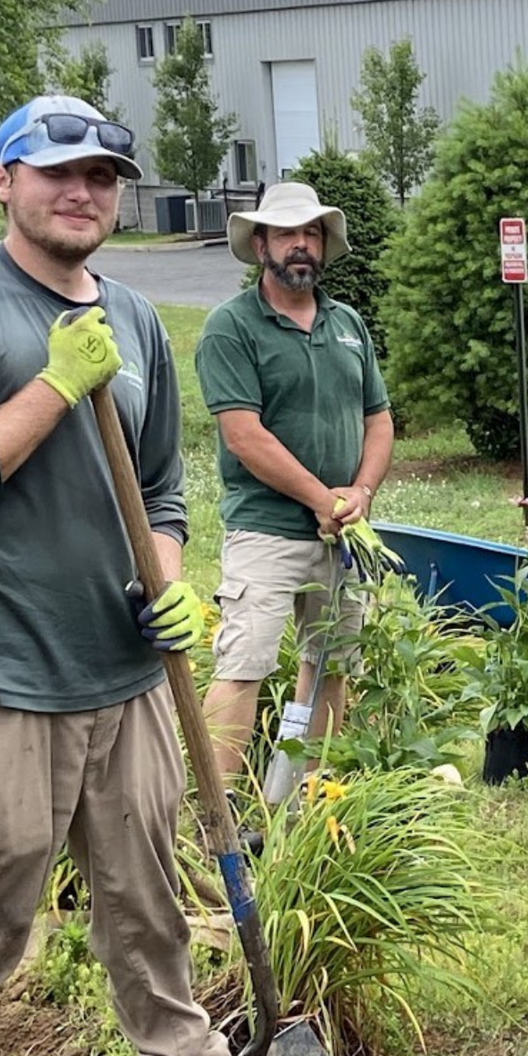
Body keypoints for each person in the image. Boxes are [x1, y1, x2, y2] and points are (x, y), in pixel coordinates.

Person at [0, 96, 229, 1056]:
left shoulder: (138, 320)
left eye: (102, 175)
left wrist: (172, 580)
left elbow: (160, 490)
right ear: (2, 180)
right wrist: (55, 386)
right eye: (57, 170)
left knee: (155, 937)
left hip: (129, 681)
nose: (81, 190)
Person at [195, 182, 392, 781]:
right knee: (244, 664)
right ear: (260, 246)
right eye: (286, 235)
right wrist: (321, 498)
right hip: (267, 531)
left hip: (342, 533)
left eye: (311, 234)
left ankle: (303, 797)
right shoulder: (231, 327)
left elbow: (378, 420)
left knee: (330, 663)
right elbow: (243, 437)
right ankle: (216, 818)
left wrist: (359, 495)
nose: (301, 246)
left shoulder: (348, 323)